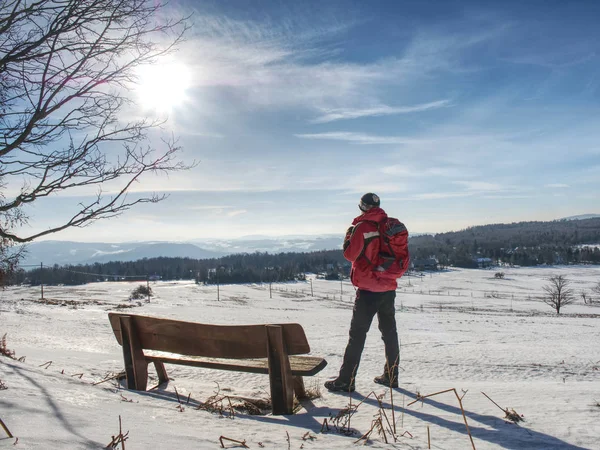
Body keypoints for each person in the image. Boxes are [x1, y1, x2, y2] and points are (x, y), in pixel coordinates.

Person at [325, 193, 406, 392]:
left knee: (357, 335)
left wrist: (348, 237)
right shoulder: (390, 226)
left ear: (362, 206)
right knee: (389, 333)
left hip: (368, 288)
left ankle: (346, 380)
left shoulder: (363, 227)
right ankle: (391, 376)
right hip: (388, 287)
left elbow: (349, 254)